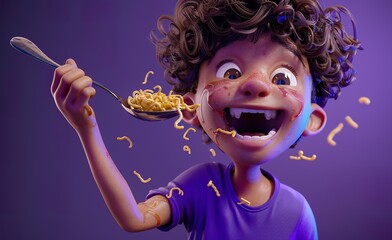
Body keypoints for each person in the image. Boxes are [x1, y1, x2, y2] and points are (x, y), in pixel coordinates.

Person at [51, 0, 360, 239]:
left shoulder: (298, 213)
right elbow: (134, 218)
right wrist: (86, 128)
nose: (256, 85)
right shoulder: (201, 187)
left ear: (312, 119)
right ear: (190, 107)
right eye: (231, 73)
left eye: (282, 76)